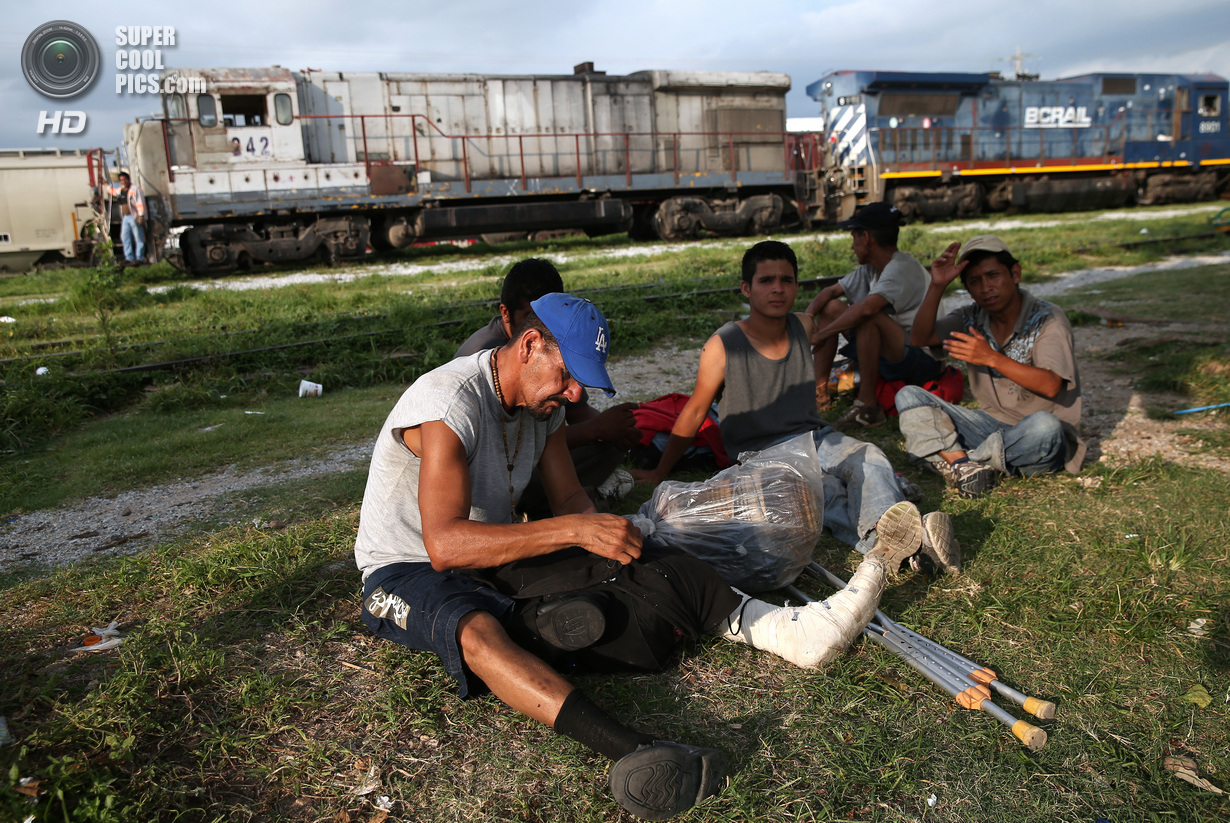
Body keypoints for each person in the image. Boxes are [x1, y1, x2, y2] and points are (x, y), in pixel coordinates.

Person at [356, 292, 901, 819]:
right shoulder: (448, 404)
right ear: (528, 346)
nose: (573, 396)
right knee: (474, 629)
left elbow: (569, 498)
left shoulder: (540, 408)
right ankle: (633, 750)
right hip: (407, 566)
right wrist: (572, 529)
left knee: (644, 552)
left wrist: (603, 535)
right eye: (567, 376)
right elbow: (445, 545)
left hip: (490, 550)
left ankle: (788, 630)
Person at [631, 240, 960, 575]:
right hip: (762, 456)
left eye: (786, 280)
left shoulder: (802, 326)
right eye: (766, 281)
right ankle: (904, 546)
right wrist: (660, 472)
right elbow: (695, 410)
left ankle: (892, 545)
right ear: (746, 288)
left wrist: (820, 384)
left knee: (870, 458)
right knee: (824, 496)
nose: (778, 289)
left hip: (816, 438)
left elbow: (829, 333)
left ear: (796, 286)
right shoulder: (723, 345)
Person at [901, 235, 1085, 497]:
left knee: (1046, 426)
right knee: (909, 395)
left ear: (1015, 274)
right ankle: (967, 466)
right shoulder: (970, 316)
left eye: (994, 275)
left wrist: (991, 357)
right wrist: (937, 286)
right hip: (989, 428)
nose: (986, 287)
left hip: (1037, 437)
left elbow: (1052, 384)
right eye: (975, 281)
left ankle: (954, 460)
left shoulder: (1048, 318)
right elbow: (920, 337)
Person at [456, 259, 641, 516]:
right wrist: (594, 430)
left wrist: (612, 430)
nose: (546, 330)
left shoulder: (551, 367)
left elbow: (573, 414)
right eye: (530, 319)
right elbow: (500, 453)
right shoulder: (470, 380)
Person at [804, 202, 939, 429]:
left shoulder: (901, 267)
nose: (852, 246)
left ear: (866, 238)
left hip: (923, 358)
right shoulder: (872, 267)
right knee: (832, 307)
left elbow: (867, 309)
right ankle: (820, 393)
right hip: (896, 349)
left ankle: (868, 406)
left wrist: (821, 335)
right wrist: (807, 318)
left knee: (867, 315)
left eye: (854, 238)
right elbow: (830, 293)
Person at [104, 171, 146, 265]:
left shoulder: (135, 189)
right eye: (121, 180)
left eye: (125, 179)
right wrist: (106, 185)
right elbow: (113, 192)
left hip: (134, 216)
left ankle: (140, 258)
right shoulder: (121, 190)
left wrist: (141, 215)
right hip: (126, 217)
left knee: (138, 237)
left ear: (129, 179)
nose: (123, 182)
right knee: (125, 237)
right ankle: (129, 258)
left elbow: (140, 202)